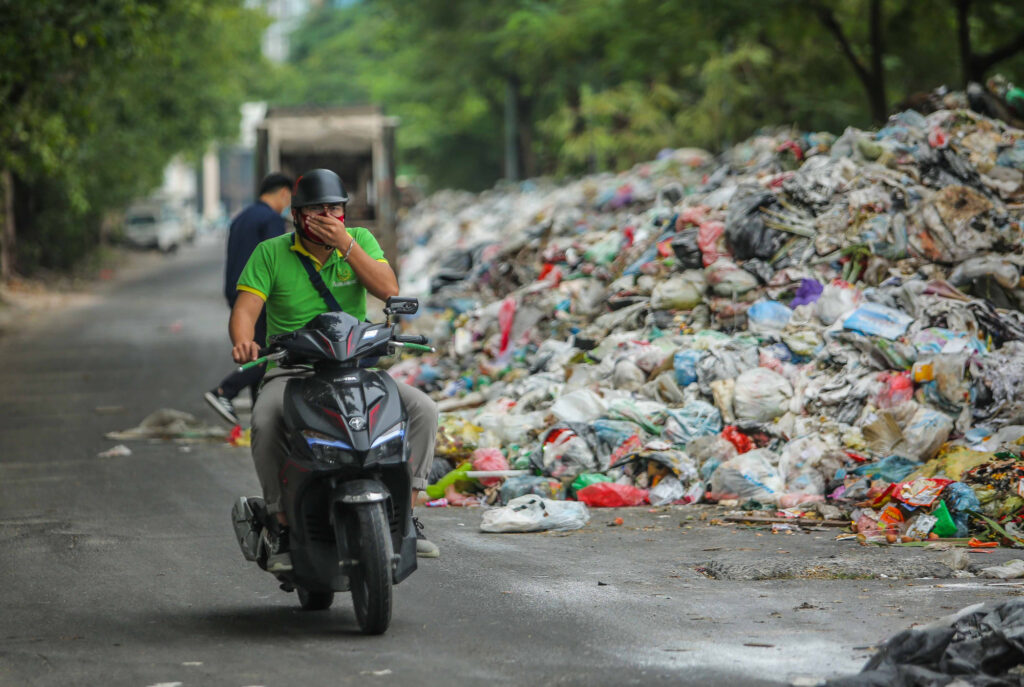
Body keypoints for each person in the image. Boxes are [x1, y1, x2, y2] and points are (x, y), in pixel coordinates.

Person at [229, 168, 440, 570]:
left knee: (422, 410)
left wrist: (345, 245)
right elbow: (245, 310)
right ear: (296, 215)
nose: (327, 216)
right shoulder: (270, 253)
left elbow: (389, 289)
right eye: (316, 210)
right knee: (267, 419)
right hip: (293, 370)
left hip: (354, 368)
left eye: (335, 209)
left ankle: (406, 518)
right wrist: (243, 340)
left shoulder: (359, 241)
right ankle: (282, 524)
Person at [204, 173, 293, 426]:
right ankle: (224, 391)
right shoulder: (271, 219)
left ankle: (259, 417)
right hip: (258, 295)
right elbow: (278, 262)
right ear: (284, 193)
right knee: (266, 355)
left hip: (237, 293)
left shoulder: (242, 217)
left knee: (257, 350)